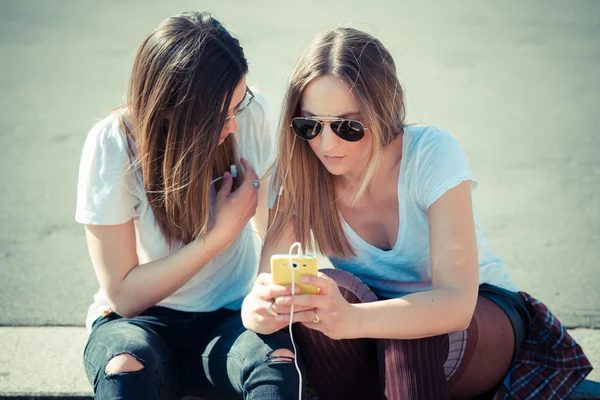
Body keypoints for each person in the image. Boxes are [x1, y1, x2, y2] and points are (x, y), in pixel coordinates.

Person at [241, 27, 592, 399]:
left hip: (476, 318)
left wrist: (353, 319)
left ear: (384, 110)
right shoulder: (299, 169)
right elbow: (267, 290)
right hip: (369, 330)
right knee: (326, 288)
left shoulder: (430, 153)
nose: (326, 145)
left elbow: (455, 302)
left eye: (349, 126)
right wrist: (260, 309)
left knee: (411, 329)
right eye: (310, 125)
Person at [76, 11, 305, 400]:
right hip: (140, 324)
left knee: (279, 363)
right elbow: (124, 295)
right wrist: (217, 237)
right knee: (122, 369)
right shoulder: (114, 143)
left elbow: (283, 221)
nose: (234, 123)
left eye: (239, 103)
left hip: (232, 320)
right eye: (221, 115)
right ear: (172, 113)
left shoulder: (254, 116)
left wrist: (266, 299)